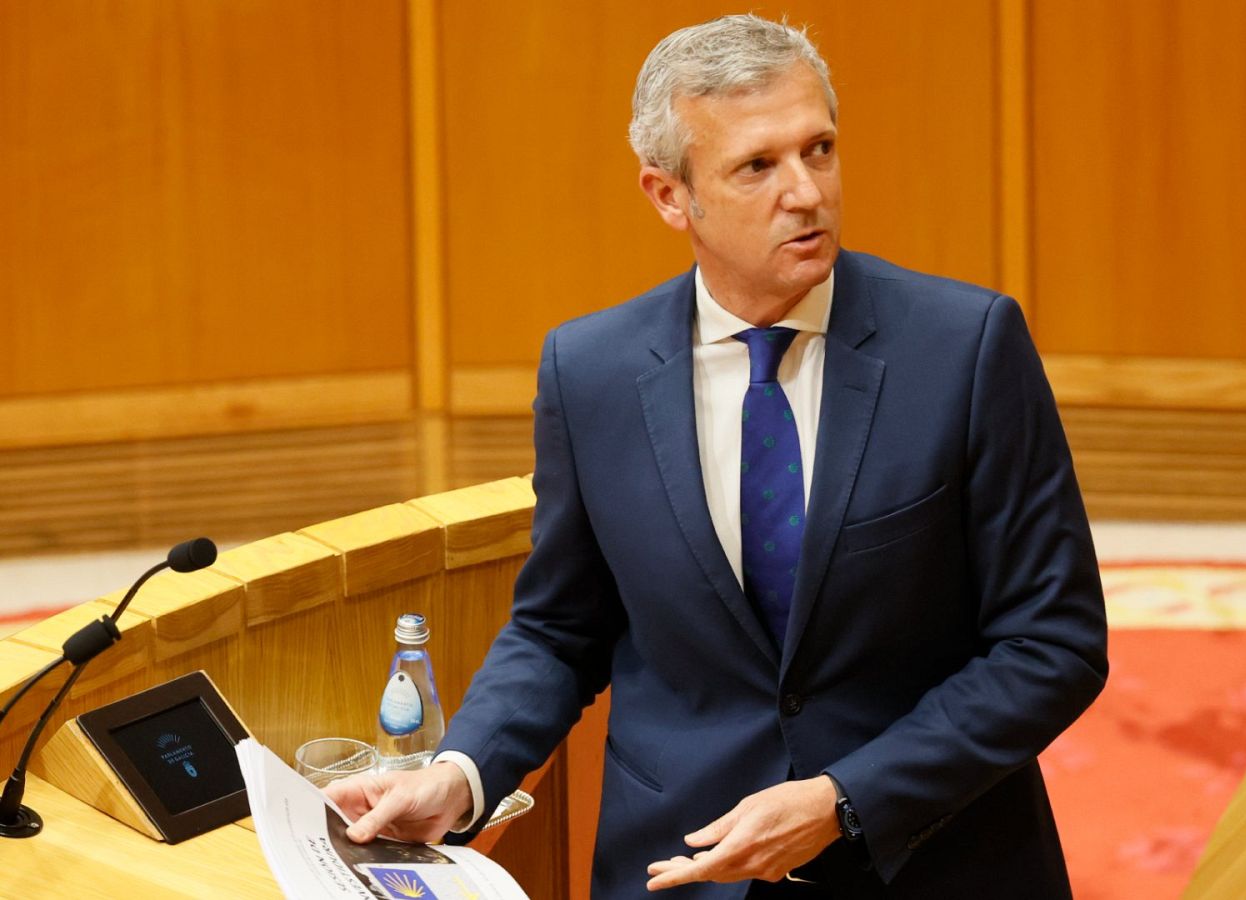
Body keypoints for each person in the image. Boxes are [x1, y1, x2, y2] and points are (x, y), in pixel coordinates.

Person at [325, 14, 1108, 899]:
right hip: (678, 867)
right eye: (757, 166)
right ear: (669, 196)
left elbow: (1053, 644)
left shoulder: (966, 348)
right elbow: (559, 627)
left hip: (931, 860)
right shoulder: (590, 373)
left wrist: (842, 798)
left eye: (819, 149)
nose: (807, 192)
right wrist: (462, 773)